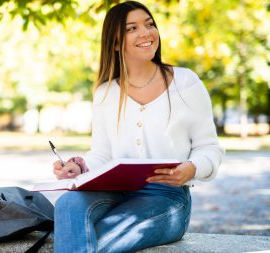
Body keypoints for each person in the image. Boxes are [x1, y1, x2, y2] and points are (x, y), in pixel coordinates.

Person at [51, 1, 225, 252]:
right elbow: (102, 154)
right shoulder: (105, 92)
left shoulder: (185, 82)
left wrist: (192, 168)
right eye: (132, 28)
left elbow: (210, 147)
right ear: (115, 43)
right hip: (112, 191)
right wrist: (77, 168)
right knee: (67, 203)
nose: (145, 33)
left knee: (96, 238)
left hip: (166, 197)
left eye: (149, 24)